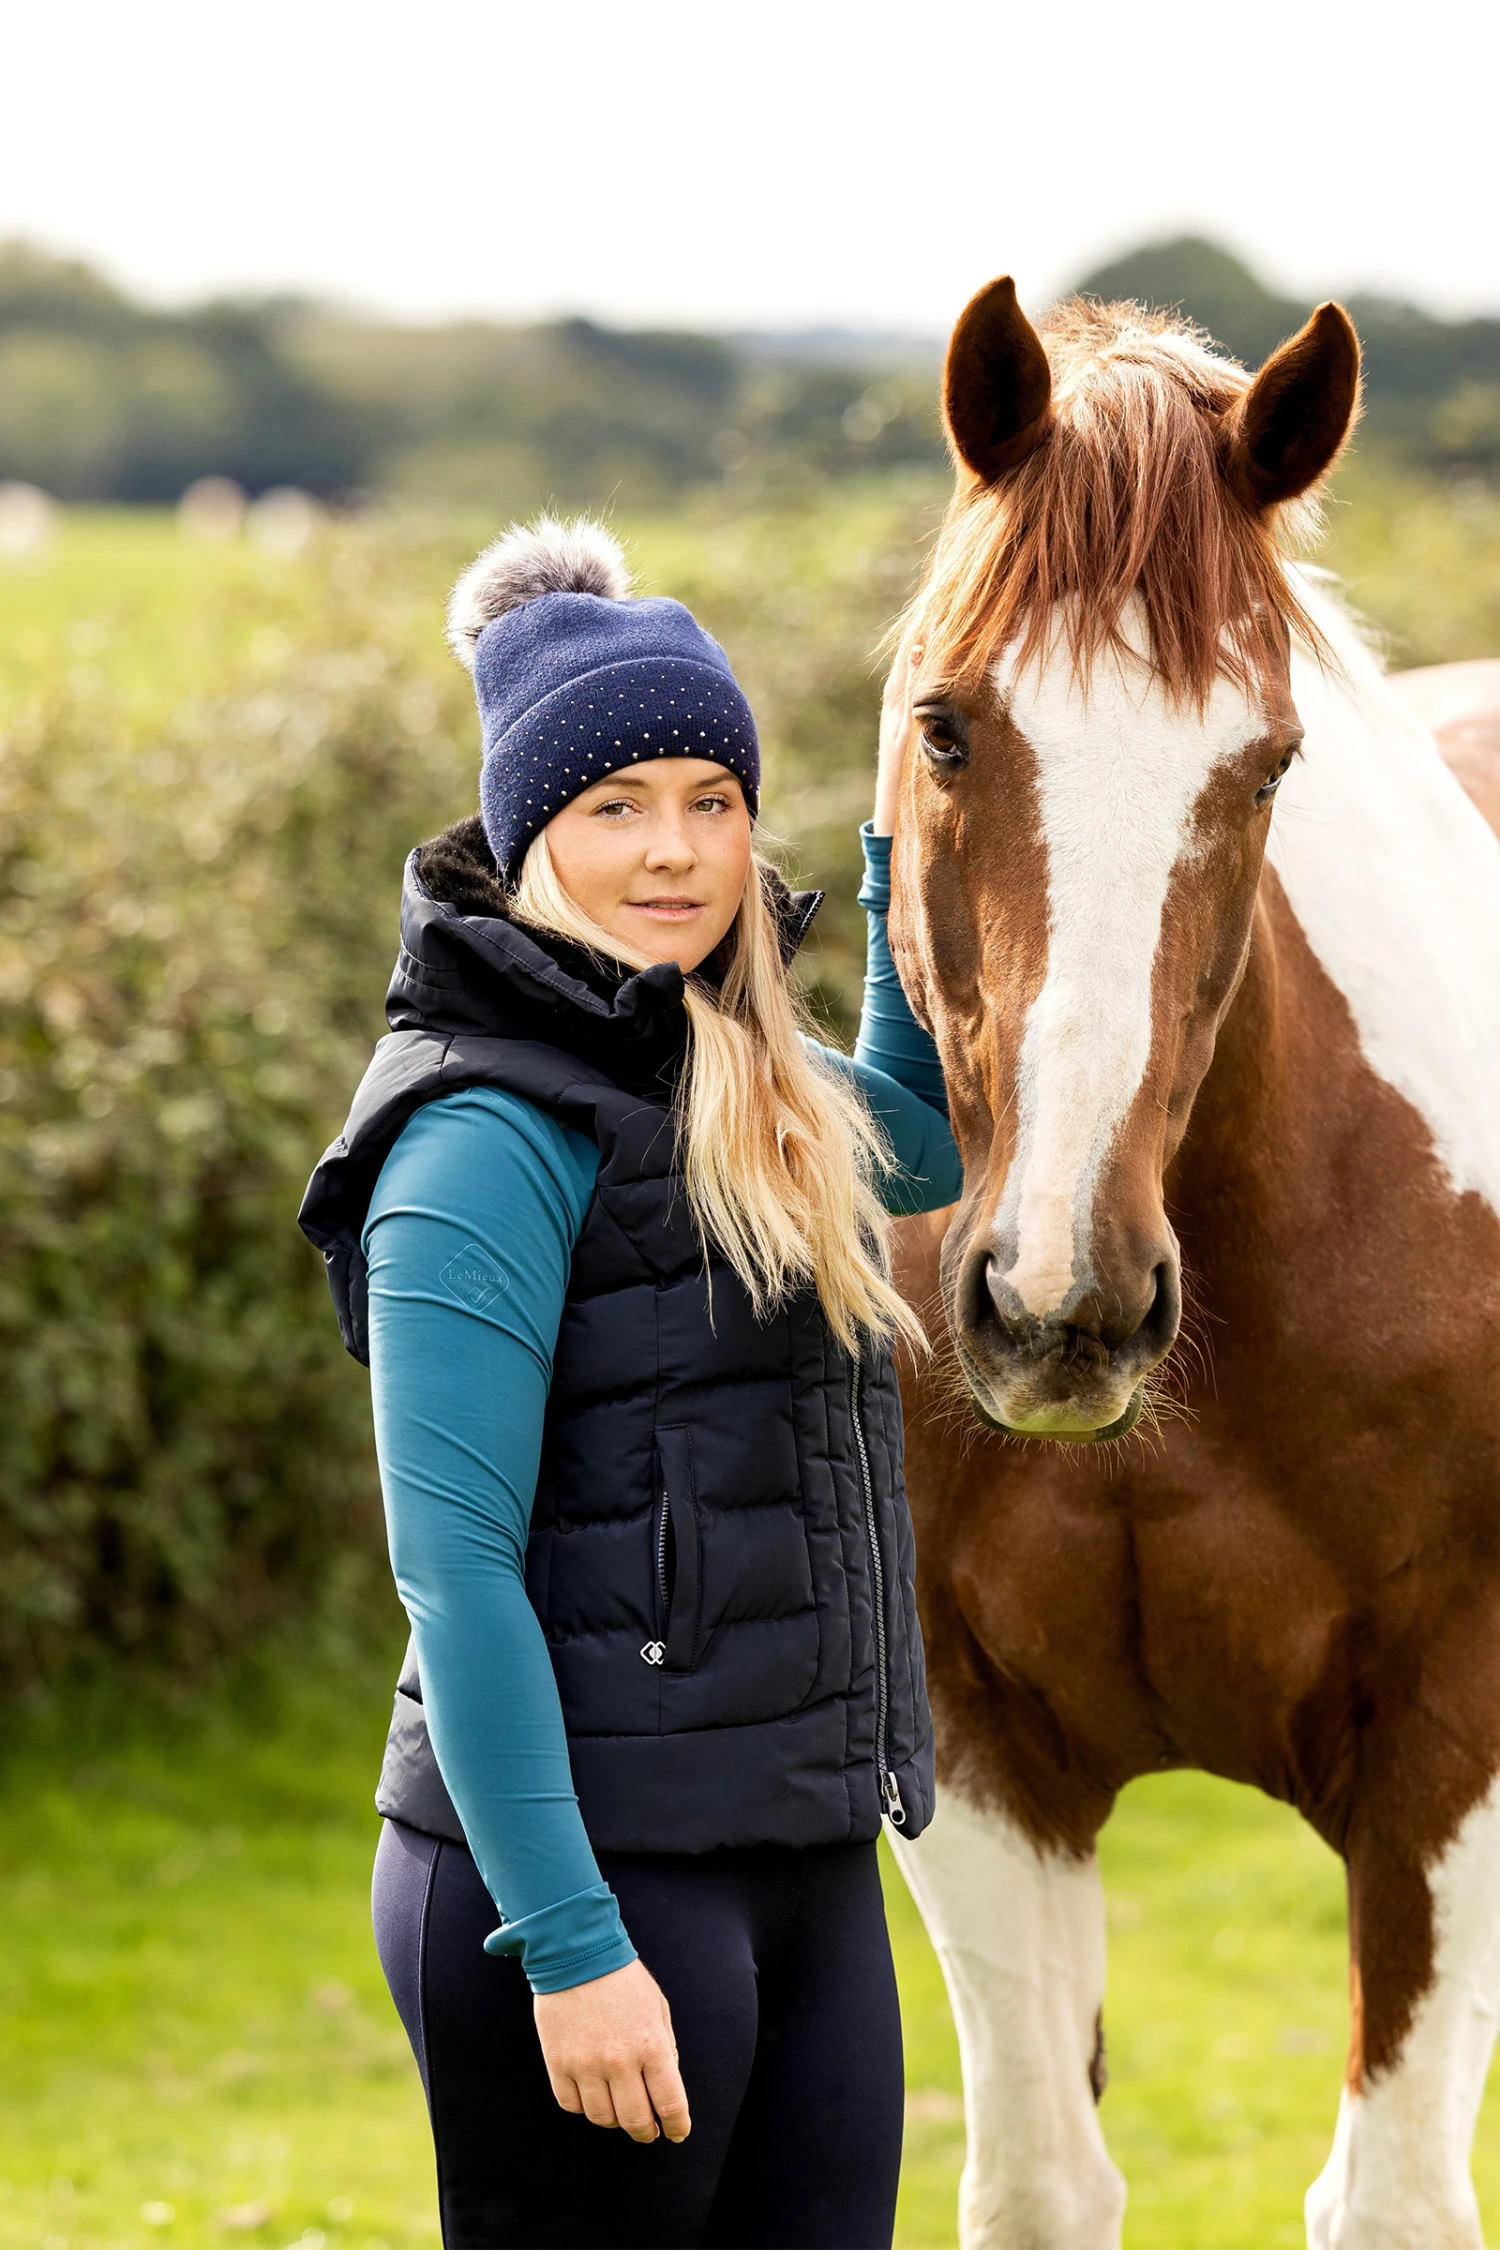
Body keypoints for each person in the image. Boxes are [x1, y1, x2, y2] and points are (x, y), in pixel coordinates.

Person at [298, 516, 961, 2250]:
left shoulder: (734, 1066)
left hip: (801, 1850)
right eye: (616, 808)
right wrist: (571, 1944)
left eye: (712, 800)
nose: (677, 851)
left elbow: (914, 1150)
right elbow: (456, 1576)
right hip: (584, 1872)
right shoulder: (480, 1133)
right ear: (530, 838)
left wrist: (899, 894)